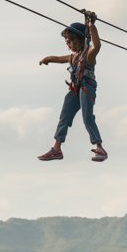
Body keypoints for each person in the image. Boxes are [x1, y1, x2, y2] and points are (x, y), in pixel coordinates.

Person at [38, 11, 108, 163]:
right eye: (67, 41)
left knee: (87, 117)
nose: (68, 43)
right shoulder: (73, 57)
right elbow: (60, 58)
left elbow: (97, 45)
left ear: (80, 40)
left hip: (86, 88)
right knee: (64, 116)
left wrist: (91, 26)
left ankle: (99, 146)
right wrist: (48, 59)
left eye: (70, 40)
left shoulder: (88, 55)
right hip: (75, 89)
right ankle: (57, 149)